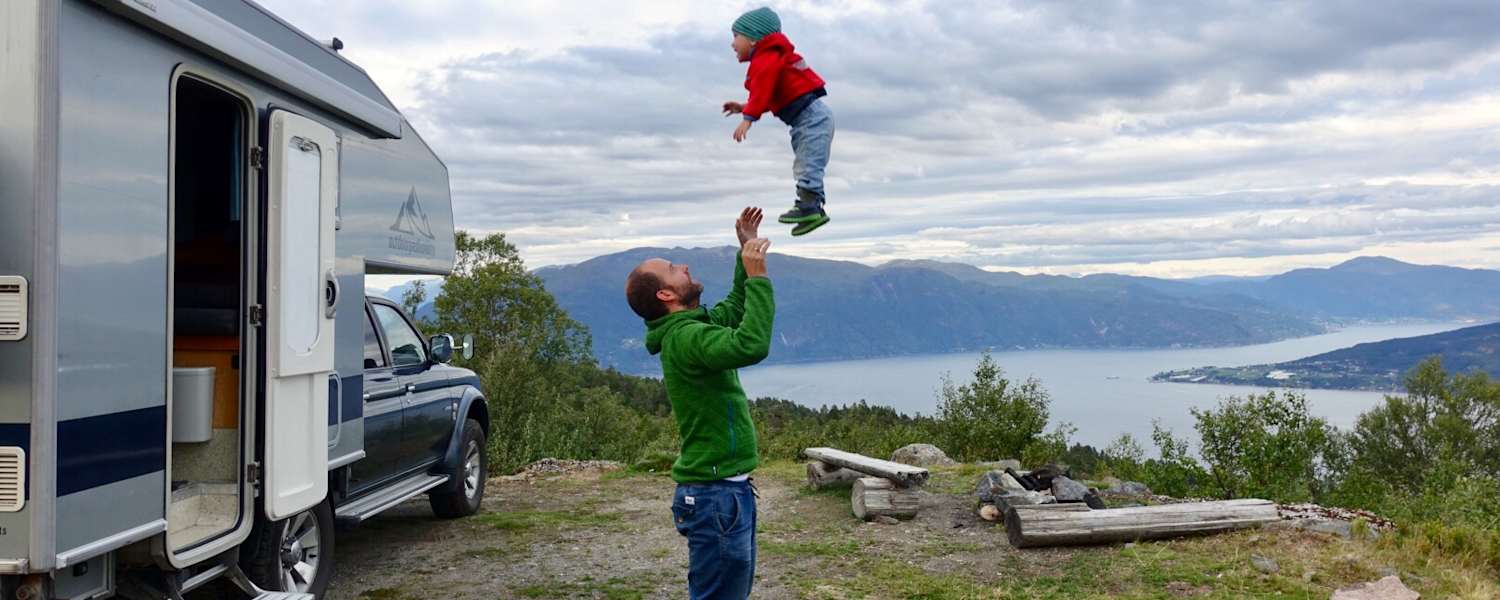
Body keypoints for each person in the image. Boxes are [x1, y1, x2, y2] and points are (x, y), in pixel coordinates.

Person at [623, 207, 774, 599]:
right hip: (715, 496)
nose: (685, 266)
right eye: (675, 268)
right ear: (666, 294)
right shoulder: (687, 338)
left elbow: (735, 311)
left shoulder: (690, 329)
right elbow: (750, 344)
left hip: (722, 493)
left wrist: (745, 257)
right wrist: (759, 278)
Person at [722, 7, 835, 237]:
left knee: (808, 164)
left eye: (736, 36)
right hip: (807, 120)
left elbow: (762, 89)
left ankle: (809, 207)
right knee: (805, 163)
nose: (732, 44)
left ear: (754, 38)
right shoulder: (771, 59)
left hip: (812, 119)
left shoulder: (766, 59)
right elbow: (769, 96)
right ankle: (812, 212)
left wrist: (748, 118)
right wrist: (744, 107)